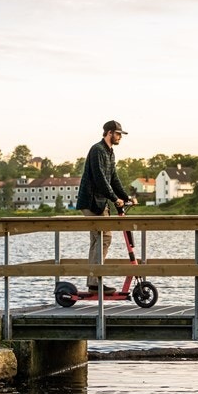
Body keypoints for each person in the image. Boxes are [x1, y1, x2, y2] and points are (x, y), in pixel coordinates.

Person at [76, 120, 133, 292]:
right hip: (92, 202)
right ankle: (94, 282)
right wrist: (115, 199)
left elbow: (113, 178)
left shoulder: (110, 153)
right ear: (109, 133)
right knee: (104, 238)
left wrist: (126, 197)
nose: (120, 137)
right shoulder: (97, 150)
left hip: (101, 203)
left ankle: (93, 281)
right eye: (118, 134)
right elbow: (100, 179)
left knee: (98, 240)